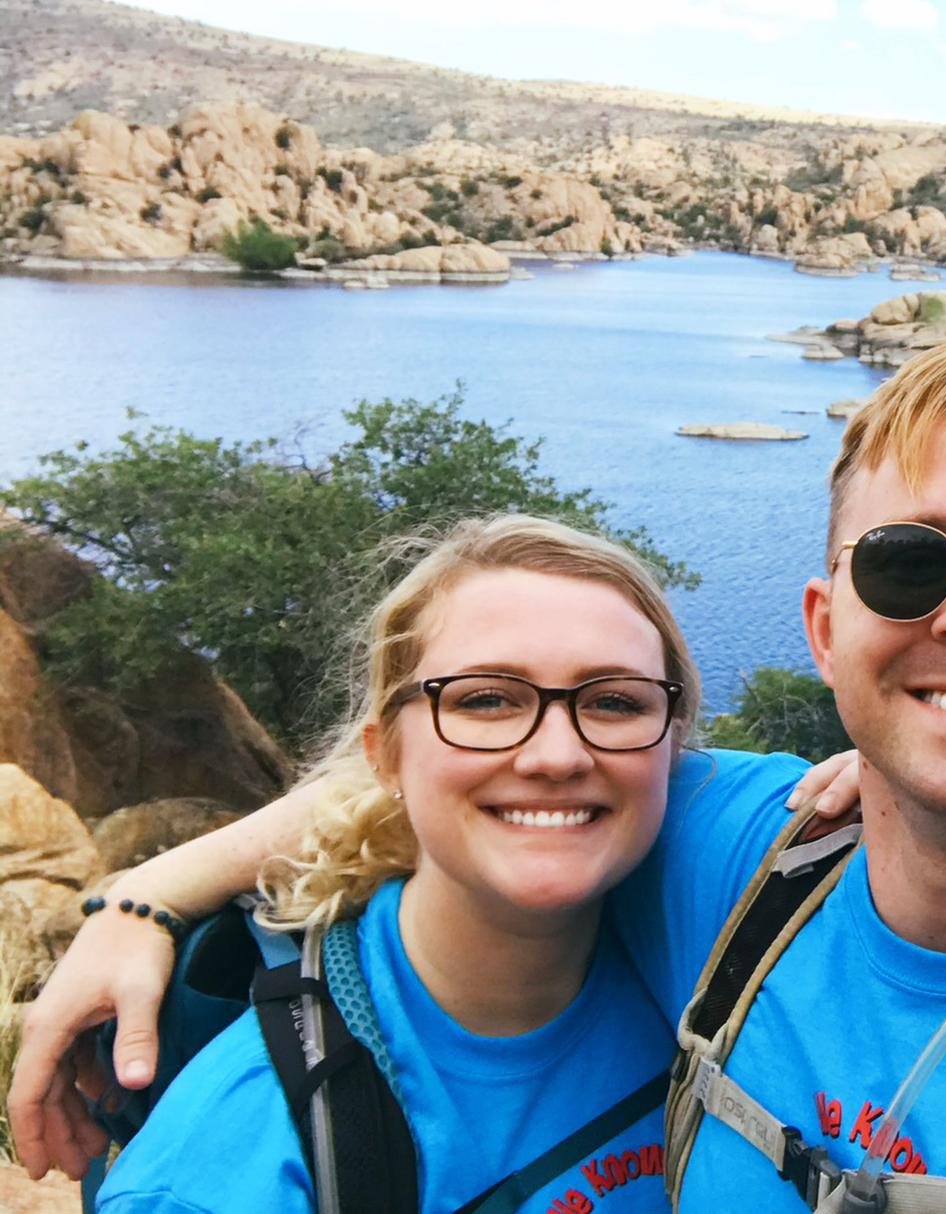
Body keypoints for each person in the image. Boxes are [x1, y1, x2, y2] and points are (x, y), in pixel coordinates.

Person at [15, 340, 946, 1212]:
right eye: (909, 563)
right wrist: (146, 897)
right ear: (826, 626)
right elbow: (486, 761)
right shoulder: (742, 856)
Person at [52, 514, 857, 1213]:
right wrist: (136, 900)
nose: (556, 755)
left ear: (672, 749)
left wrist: (901, 781)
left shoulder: (711, 904)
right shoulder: (227, 1169)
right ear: (383, 755)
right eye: (485, 699)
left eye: (613, 701)